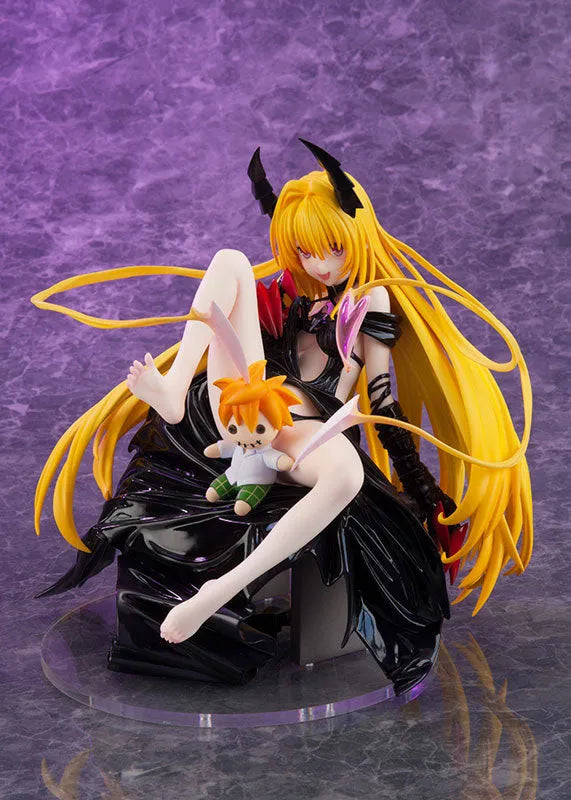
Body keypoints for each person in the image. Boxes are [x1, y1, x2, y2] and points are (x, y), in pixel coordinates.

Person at [32, 140, 533, 694]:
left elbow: (382, 397)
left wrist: (417, 484)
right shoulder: (292, 297)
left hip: (303, 430)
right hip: (241, 404)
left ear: (358, 237)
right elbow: (244, 334)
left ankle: (218, 592)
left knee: (345, 475)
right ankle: (172, 390)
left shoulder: (372, 302)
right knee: (229, 261)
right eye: (305, 251)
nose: (320, 264)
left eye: (333, 248)